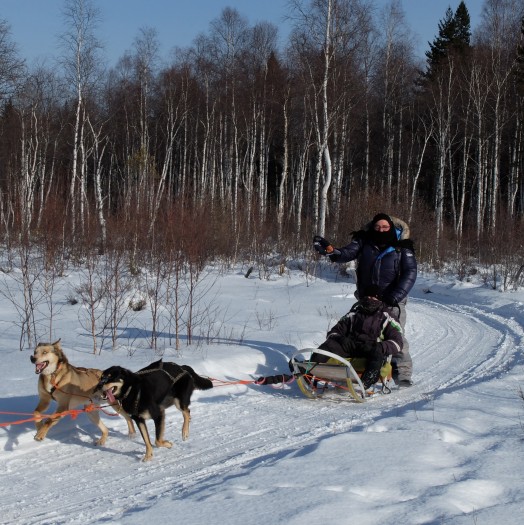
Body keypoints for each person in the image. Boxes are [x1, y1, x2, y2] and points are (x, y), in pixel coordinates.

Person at [313, 213, 417, 387]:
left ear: (391, 228)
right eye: (377, 227)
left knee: (396, 335)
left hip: (392, 299)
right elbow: (347, 253)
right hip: (367, 298)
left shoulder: (402, 247)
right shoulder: (364, 242)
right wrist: (332, 251)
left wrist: (396, 296)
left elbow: (410, 273)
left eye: (385, 227)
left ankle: (402, 372)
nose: (381, 230)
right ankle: (359, 367)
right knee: (360, 331)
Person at [311, 285, 403, 390]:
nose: (370, 299)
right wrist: (341, 339)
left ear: (380, 300)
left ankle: (367, 380)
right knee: (330, 345)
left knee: (377, 352)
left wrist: (381, 346)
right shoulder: (353, 314)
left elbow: (398, 342)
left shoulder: (388, 317)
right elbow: (333, 332)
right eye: (367, 297)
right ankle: (307, 369)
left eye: (374, 298)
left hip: (370, 349)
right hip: (351, 346)